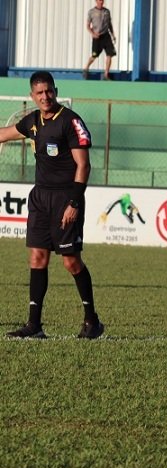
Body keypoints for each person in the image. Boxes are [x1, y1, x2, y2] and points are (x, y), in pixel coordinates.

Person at [0, 71, 104, 339]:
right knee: (37, 257)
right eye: (39, 93)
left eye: (49, 91)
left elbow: (84, 165)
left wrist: (74, 202)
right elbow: (5, 134)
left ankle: (92, 320)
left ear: (55, 91)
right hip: (40, 198)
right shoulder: (32, 121)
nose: (45, 96)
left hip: (65, 198)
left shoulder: (70, 121)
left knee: (70, 261)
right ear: (32, 96)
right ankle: (34, 326)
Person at [82, 0, 116, 80]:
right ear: (96, 1)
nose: (101, 2)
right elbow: (88, 26)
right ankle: (86, 68)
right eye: (99, 0)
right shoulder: (92, 12)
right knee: (94, 56)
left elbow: (109, 24)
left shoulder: (106, 12)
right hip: (97, 37)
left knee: (110, 54)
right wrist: (93, 33)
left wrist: (113, 34)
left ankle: (106, 74)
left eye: (102, 1)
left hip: (106, 36)